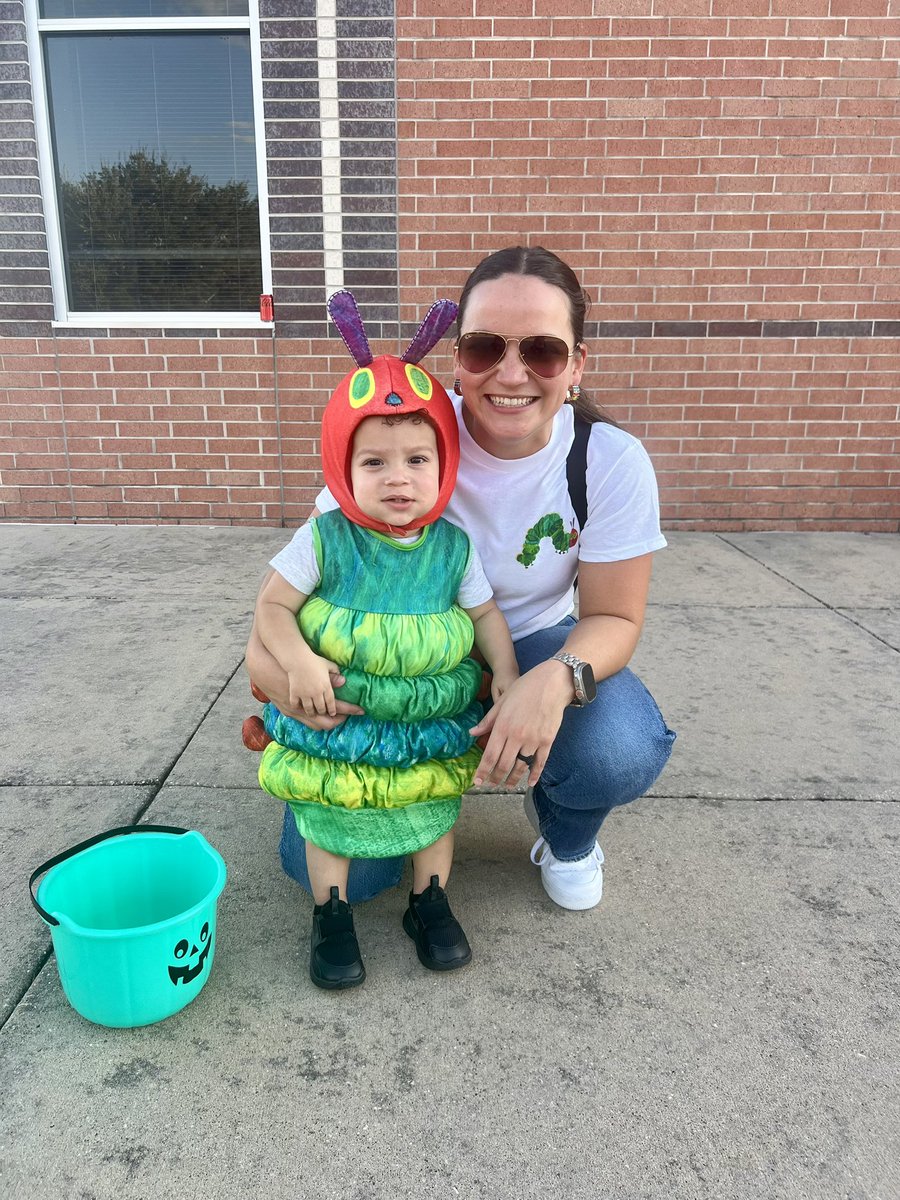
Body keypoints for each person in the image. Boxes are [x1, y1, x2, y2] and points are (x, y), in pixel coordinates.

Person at [246, 245, 675, 918]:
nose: (512, 372)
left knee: (618, 748)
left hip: (526, 646)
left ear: (577, 365)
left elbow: (615, 620)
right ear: (457, 358)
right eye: (483, 347)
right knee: (341, 880)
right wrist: (282, 674)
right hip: (392, 663)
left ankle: (565, 835)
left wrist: (554, 681)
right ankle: (423, 788)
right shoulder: (400, 428)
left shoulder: (608, 461)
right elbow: (304, 583)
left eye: (543, 350)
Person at [246, 296, 519, 990]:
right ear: (343, 466)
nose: (397, 477)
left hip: (424, 723)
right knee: (331, 808)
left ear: (443, 463)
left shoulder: (454, 549)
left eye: (416, 459)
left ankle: (429, 902)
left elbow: (486, 616)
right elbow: (271, 608)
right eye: (374, 462)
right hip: (343, 722)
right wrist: (300, 660)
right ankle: (330, 913)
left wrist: (509, 674)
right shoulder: (324, 538)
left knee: (431, 807)